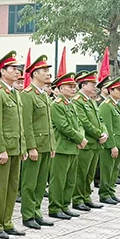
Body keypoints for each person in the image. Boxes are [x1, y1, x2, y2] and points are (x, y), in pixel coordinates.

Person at [0, 51, 27, 239]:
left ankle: (7, 221)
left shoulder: (15, 94)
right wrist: (1, 148)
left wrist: (23, 146)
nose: (17, 72)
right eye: (13, 69)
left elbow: (19, 124)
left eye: (18, 69)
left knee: (12, 187)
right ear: (2, 71)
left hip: (15, 148)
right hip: (3, 150)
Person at [19, 55, 55, 230]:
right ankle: (27, 214)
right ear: (34, 74)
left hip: (46, 145)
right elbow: (26, 123)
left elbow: (48, 123)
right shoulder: (28, 95)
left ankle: (37, 211)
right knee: (30, 182)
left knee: (41, 182)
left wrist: (52, 145)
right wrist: (31, 146)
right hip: (35, 146)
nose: (48, 74)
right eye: (44, 71)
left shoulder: (44, 95)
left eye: (48, 71)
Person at [48, 72, 86, 220]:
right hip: (62, 146)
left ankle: (64, 205)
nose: (73, 89)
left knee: (70, 179)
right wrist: (79, 138)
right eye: (69, 86)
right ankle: (55, 207)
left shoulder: (71, 105)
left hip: (73, 146)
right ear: (61, 88)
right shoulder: (57, 105)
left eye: (74, 86)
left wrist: (81, 137)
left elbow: (79, 124)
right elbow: (63, 126)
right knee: (59, 179)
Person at [71, 71, 108, 212]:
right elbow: (84, 122)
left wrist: (104, 132)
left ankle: (86, 197)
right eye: (92, 84)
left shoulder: (91, 100)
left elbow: (100, 120)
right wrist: (99, 134)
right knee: (81, 173)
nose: (95, 87)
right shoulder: (78, 101)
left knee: (90, 174)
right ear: (83, 85)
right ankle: (78, 199)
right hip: (87, 143)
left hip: (96, 143)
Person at [97, 78, 120, 205]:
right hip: (111, 144)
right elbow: (108, 127)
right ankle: (104, 193)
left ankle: (111, 191)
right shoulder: (106, 105)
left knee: (115, 170)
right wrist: (112, 145)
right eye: (118, 89)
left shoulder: (118, 105)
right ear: (110, 90)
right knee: (107, 169)